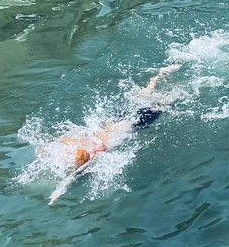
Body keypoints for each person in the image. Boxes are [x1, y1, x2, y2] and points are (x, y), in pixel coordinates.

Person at [48, 63, 181, 203]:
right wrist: (57, 191)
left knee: (168, 100)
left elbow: (74, 175)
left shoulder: (95, 151)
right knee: (144, 97)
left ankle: (167, 80)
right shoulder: (85, 141)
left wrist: (57, 192)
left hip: (134, 123)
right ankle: (159, 76)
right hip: (120, 120)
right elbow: (72, 170)